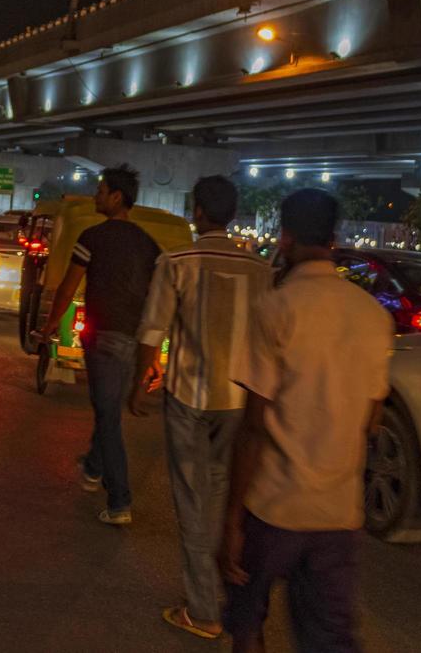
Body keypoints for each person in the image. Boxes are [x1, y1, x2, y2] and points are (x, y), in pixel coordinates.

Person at [218, 189, 392, 653]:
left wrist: (232, 520)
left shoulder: (276, 308)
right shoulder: (374, 317)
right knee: (330, 638)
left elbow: (253, 427)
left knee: (247, 619)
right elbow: (371, 420)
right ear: (334, 238)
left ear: (285, 237)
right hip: (338, 512)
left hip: (274, 505)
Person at [131, 175, 271, 641]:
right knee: (221, 496)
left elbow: (153, 331)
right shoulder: (258, 269)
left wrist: (139, 383)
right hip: (240, 401)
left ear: (197, 212)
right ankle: (228, 596)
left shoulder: (177, 262)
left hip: (188, 397)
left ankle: (203, 609)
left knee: (193, 502)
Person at [45, 164, 162, 526]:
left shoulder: (92, 237)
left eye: (100, 190)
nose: (96, 196)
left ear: (116, 197)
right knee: (108, 409)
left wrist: (49, 324)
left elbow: (68, 287)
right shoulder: (148, 245)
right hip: (134, 339)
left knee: (109, 417)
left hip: (104, 339)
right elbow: (158, 301)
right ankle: (94, 468)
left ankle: (120, 501)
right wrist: (153, 352)